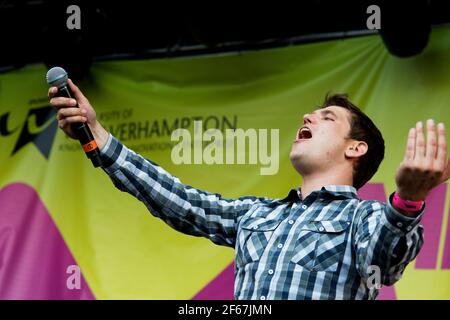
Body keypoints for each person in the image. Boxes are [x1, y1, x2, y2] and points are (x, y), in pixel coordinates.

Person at [49, 79, 450, 300]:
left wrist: (408, 200)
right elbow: (182, 203)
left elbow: (388, 260)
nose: (309, 116)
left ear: (355, 148)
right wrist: (98, 137)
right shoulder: (259, 215)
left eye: (327, 117)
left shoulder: (365, 217)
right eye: (313, 112)